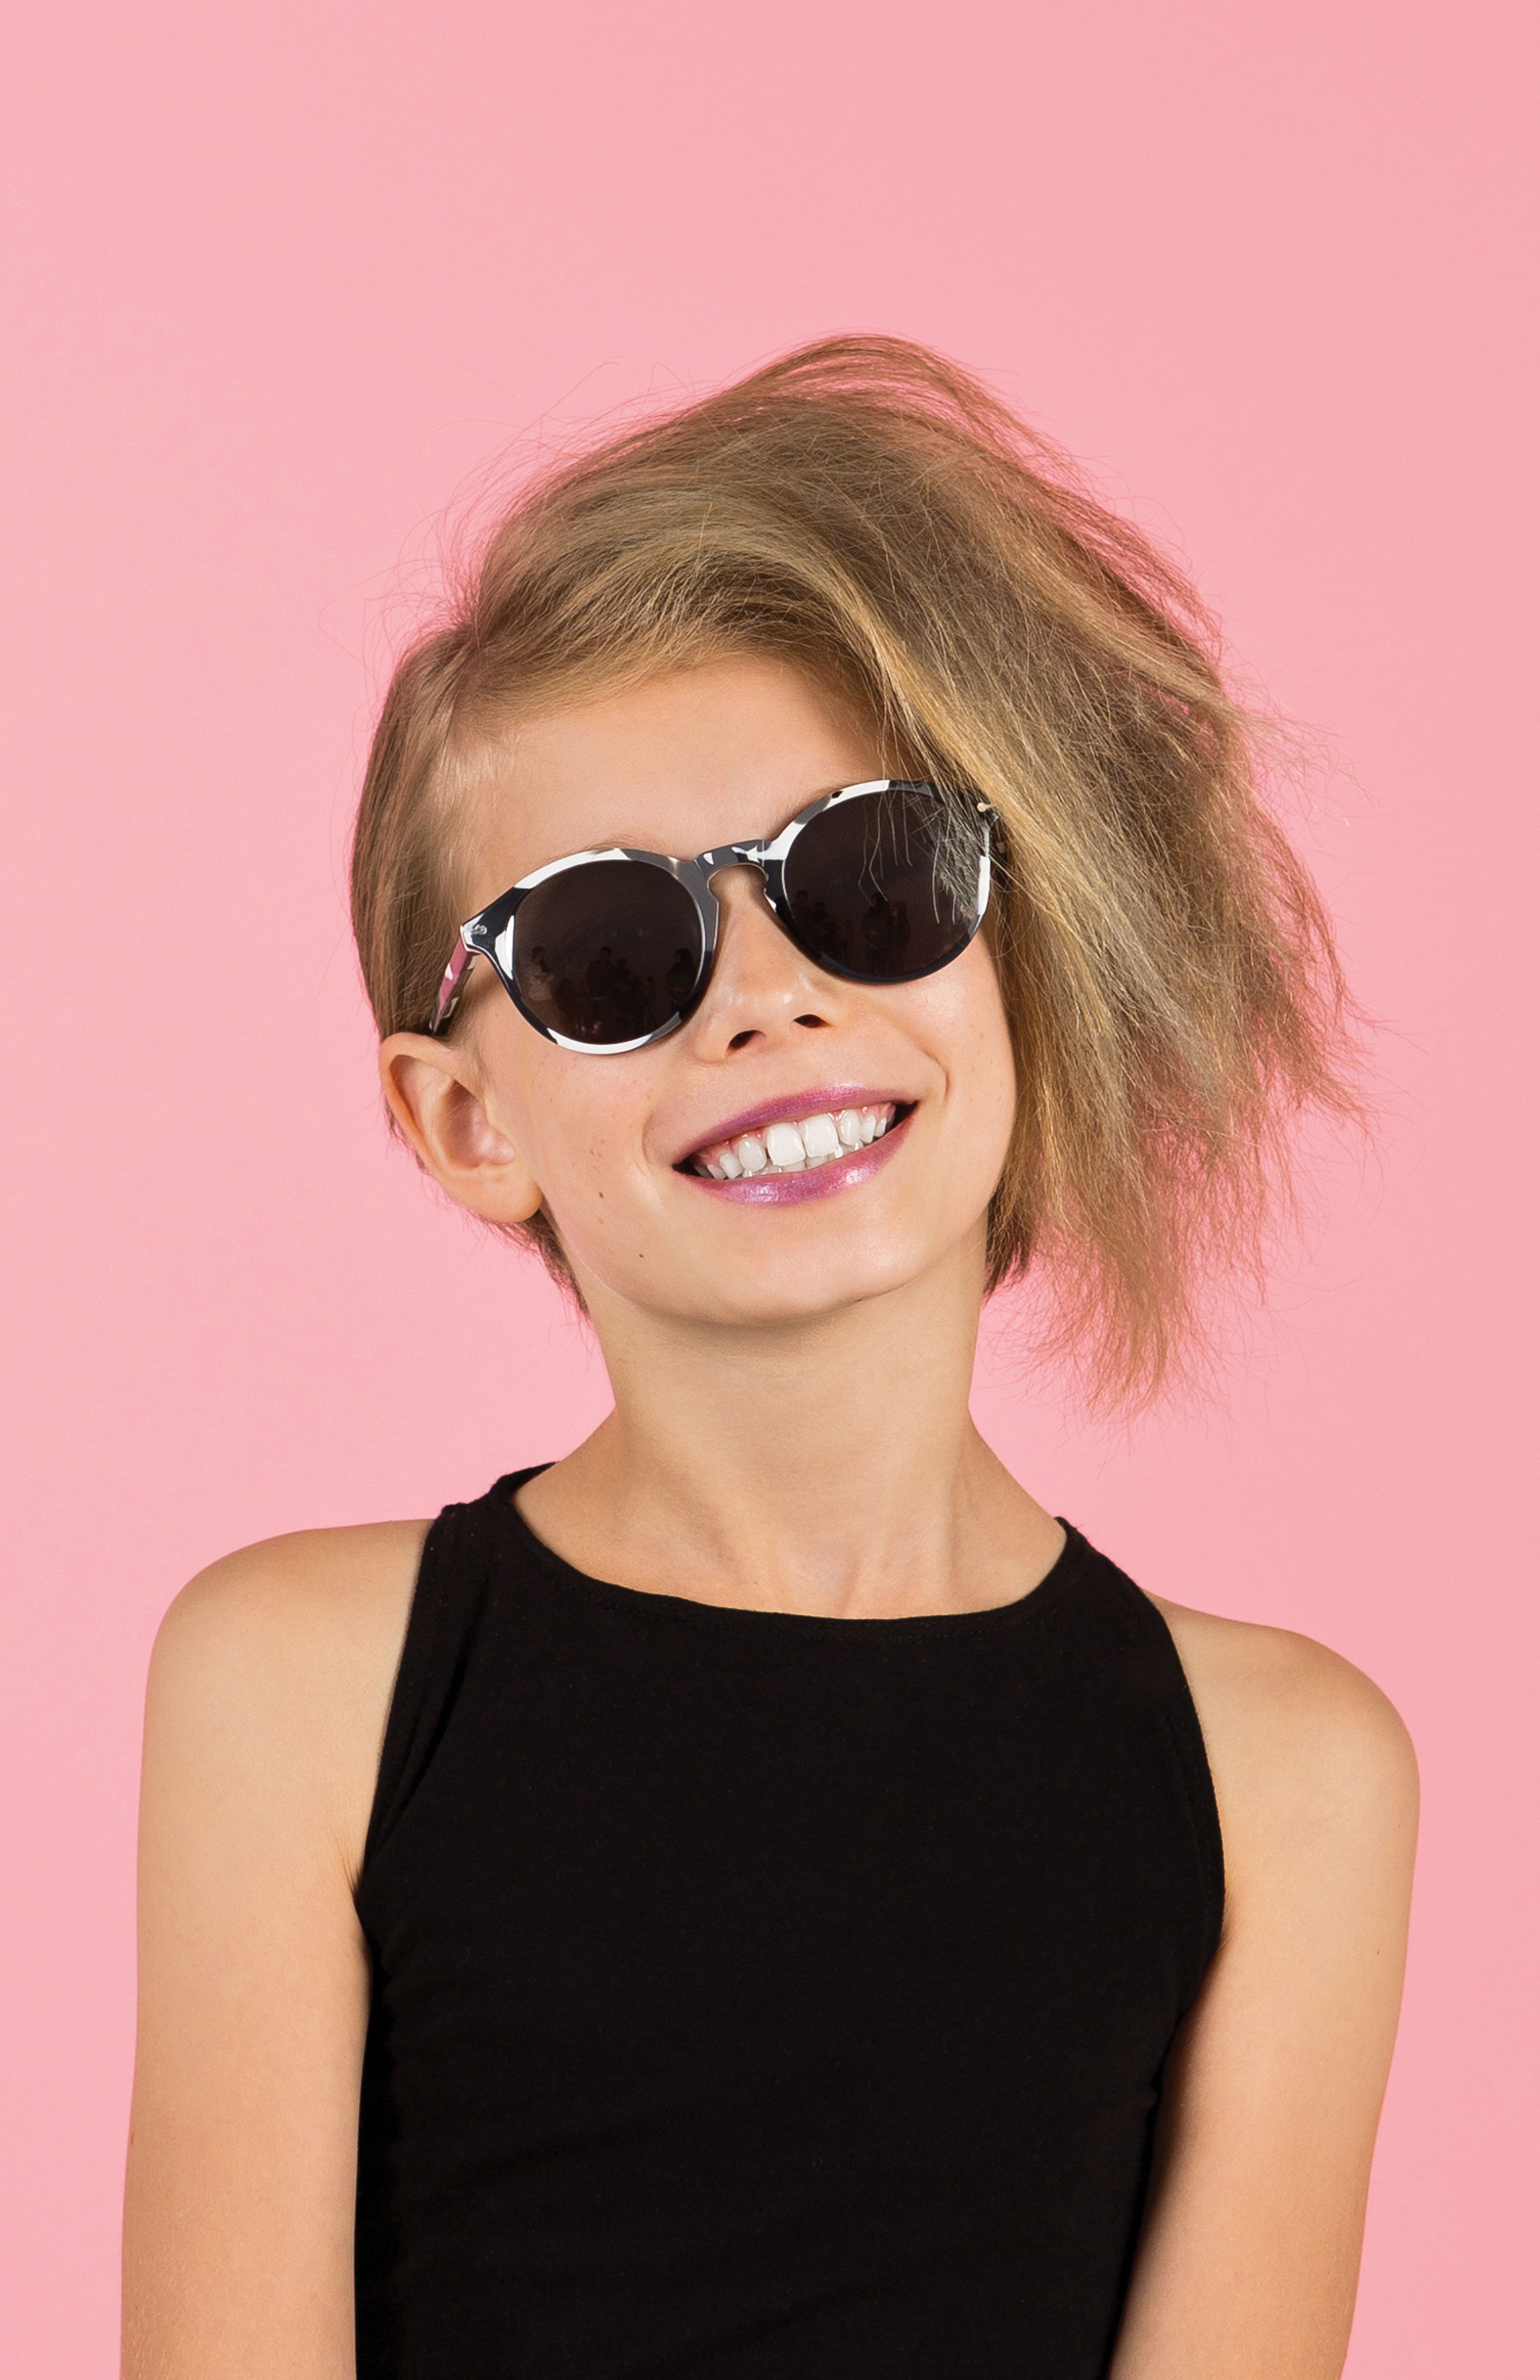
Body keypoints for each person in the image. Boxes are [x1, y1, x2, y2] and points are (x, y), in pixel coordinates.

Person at [123, 338, 1417, 2380]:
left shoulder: (1288, 1778)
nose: (772, 1002)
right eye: (613, 952)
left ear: (1016, 947)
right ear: (464, 1118)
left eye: (870, 880)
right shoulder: (300, 1689)